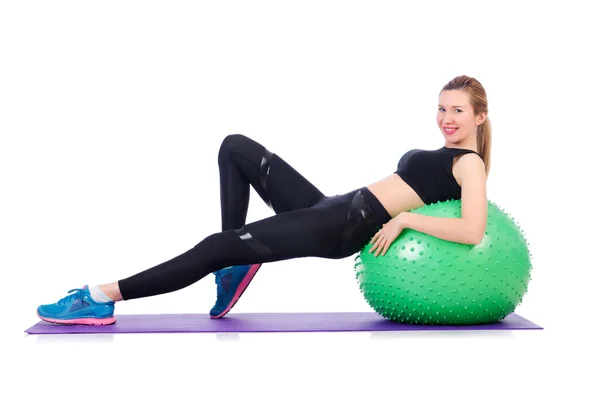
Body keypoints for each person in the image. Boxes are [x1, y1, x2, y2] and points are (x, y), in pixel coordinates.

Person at [36, 74, 491, 326]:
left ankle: (101, 296)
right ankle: (233, 262)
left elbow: (473, 229)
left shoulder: (469, 162)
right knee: (235, 146)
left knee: (213, 246)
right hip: (331, 206)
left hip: (340, 227)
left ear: (479, 116)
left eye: (457, 110)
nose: (446, 118)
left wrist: (407, 219)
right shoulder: (449, 153)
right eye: (442, 107)